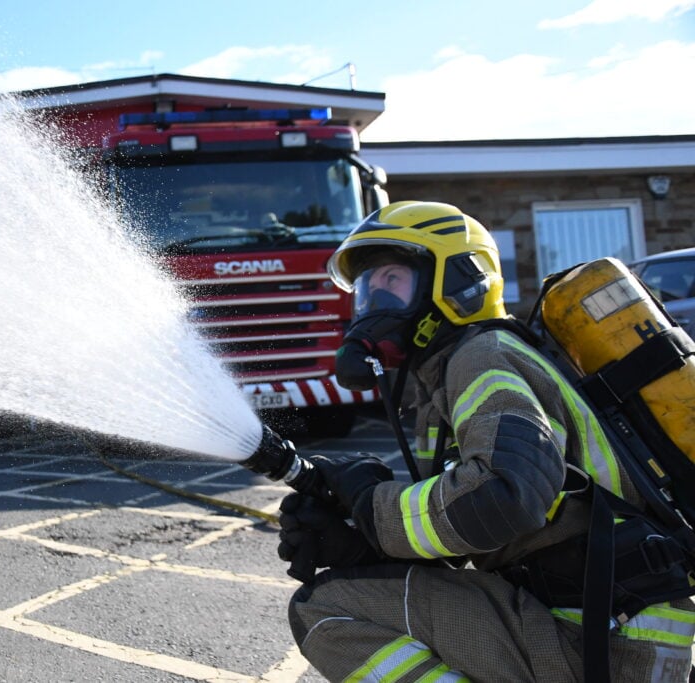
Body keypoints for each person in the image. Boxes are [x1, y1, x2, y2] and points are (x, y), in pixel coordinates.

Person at [277, 201, 695, 682]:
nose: (373, 301)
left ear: (457, 281)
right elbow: (472, 528)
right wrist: (361, 539)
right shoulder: (448, 379)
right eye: (367, 289)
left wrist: (375, 506)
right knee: (353, 588)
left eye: (391, 280)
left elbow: (504, 497)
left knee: (329, 609)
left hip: (602, 632)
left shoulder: (483, 358)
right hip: (595, 615)